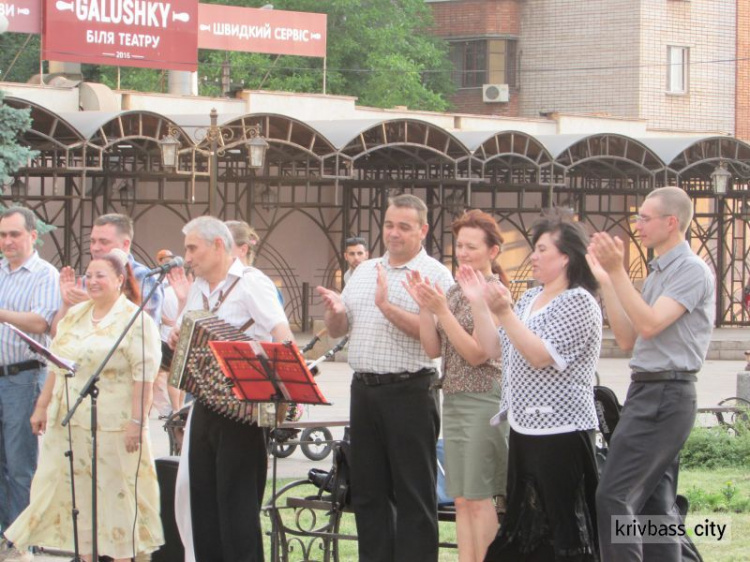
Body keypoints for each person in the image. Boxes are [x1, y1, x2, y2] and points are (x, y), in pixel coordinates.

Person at [317, 194, 454, 562]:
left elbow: (436, 341)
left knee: (413, 494)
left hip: (410, 391)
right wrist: (333, 312)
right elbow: (341, 328)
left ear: (423, 230)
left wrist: (386, 306)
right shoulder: (363, 270)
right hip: (364, 390)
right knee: (369, 494)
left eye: (404, 227)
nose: (393, 233)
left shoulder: (436, 276)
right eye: (389, 225)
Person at [3, 249, 164, 561]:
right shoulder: (77, 315)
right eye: (88, 275)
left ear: (120, 280)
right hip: (74, 420)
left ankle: (123, 556)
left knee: (117, 496)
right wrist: (42, 406)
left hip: (116, 425)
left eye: (100, 275)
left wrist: (137, 422)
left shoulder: (136, 319)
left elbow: (143, 375)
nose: (91, 281)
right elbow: (57, 364)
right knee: (80, 496)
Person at [461, 213, 601, 562]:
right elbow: (495, 348)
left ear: (566, 256)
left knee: (563, 527)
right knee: (524, 526)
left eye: (541, 249)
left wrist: (505, 312)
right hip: (525, 428)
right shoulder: (529, 298)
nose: (533, 257)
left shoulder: (579, 301)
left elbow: (541, 356)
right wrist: (479, 303)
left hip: (563, 431)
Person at [587, 186, 715, 561]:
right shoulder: (660, 271)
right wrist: (610, 281)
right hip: (651, 391)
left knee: (613, 495)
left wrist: (617, 271)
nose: (637, 225)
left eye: (644, 218)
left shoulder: (690, 270)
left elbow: (651, 324)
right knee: (655, 506)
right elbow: (628, 337)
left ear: (671, 222)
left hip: (666, 394)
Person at [170, 217, 293, 562]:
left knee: (237, 512)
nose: (187, 257)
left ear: (218, 246)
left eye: (193, 248)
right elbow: (183, 332)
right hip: (205, 403)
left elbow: (281, 334)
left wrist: (285, 387)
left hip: (244, 410)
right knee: (204, 507)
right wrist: (176, 335)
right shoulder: (199, 287)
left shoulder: (253, 283)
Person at [404, 209, 509, 562]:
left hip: (484, 399)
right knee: (462, 499)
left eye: (472, 246)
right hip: (455, 397)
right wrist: (425, 307)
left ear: (493, 251)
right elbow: (434, 348)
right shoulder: (454, 290)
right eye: (459, 245)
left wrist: (442, 313)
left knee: (480, 498)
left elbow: (479, 354)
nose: (463, 253)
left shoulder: (494, 291)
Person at [0, 207, 60, 562]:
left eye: (14, 235)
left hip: (24, 377)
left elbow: (42, 321)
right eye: (3, 235)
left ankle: (19, 542)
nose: (7, 241)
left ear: (32, 236)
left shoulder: (44, 274)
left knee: (20, 464)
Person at [53, 213, 164, 334]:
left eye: (103, 242)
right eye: (92, 241)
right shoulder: (87, 280)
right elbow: (57, 335)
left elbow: (144, 333)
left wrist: (94, 304)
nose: (95, 248)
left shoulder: (144, 277)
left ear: (125, 244)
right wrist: (66, 304)